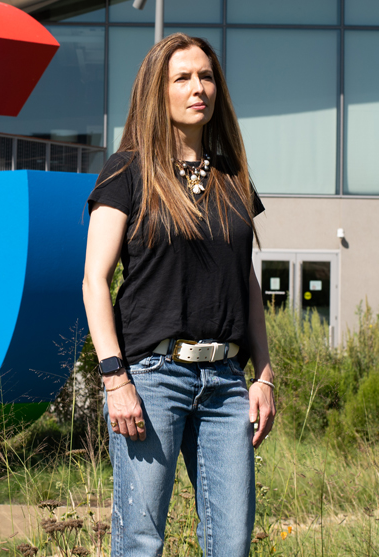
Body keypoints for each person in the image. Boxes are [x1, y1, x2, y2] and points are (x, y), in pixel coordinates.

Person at [82, 33, 275, 557]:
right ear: (156, 92)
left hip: (227, 383)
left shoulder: (233, 178)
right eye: (183, 78)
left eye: (207, 76)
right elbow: (94, 280)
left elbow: (246, 282)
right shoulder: (128, 171)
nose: (199, 88)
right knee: (141, 541)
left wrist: (263, 375)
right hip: (151, 379)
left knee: (232, 543)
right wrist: (114, 376)